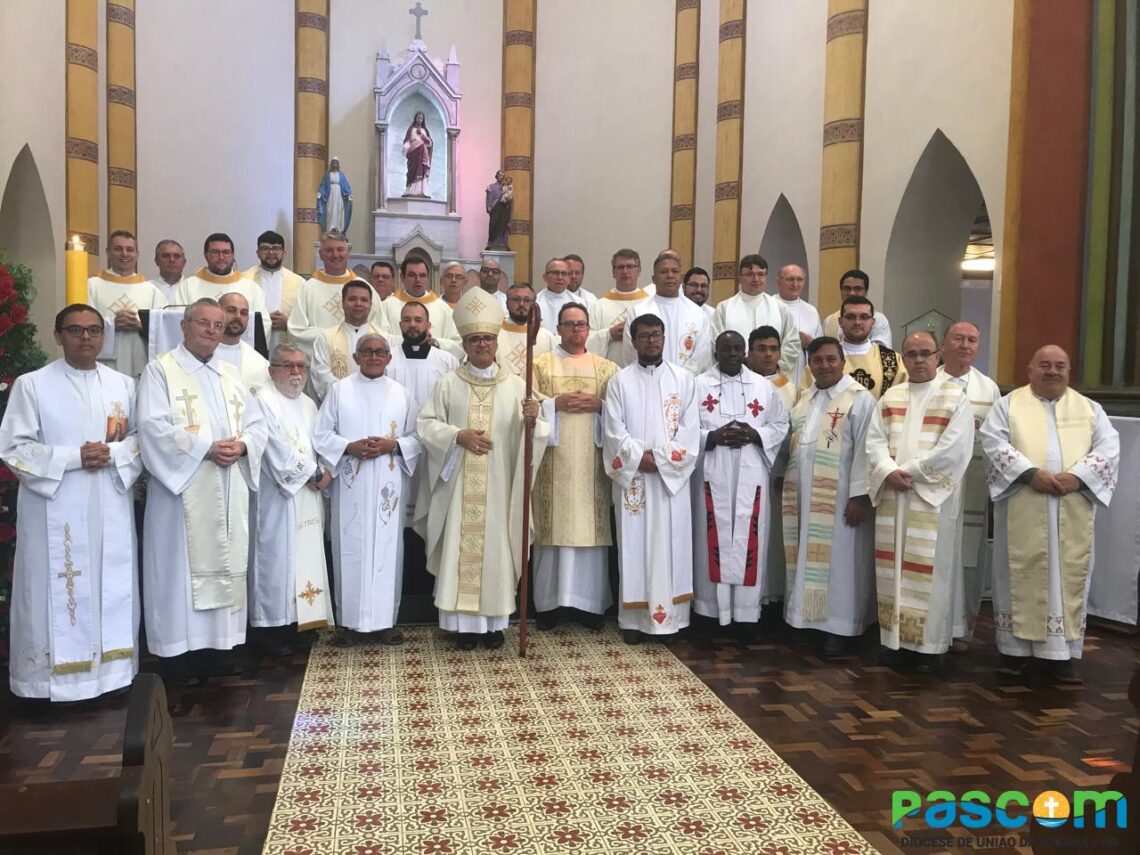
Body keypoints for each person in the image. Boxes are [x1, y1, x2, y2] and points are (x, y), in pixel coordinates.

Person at [0, 305, 144, 701]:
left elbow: (138, 439)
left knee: (110, 583)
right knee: (55, 584)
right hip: (54, 504)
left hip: (109, 500)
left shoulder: (122, 385)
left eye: (94, 330)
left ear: (103, 336)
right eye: (76, 330)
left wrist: (113, 454)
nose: (86, 338)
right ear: (58, 335)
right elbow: (13, 447)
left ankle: (112, 675)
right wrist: (73, 458)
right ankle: (48, 683)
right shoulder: (33, 385)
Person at [136, 298, 267, 687]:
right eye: (204, 323)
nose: (212, 330)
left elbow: (257, 424)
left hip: (229, 484)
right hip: (183, 490)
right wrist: (206, 449)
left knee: (227, 561)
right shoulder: (161, 370)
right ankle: (178, 655)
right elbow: (152, 427)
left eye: (218, 325)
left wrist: (243, 445)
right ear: (184, 326)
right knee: (178, 570)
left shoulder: (230, 374)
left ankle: (220, 649)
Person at [414, 288, 549, 651]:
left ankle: (493, 625)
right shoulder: (448, 384)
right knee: (460, 547)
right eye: (475, 339)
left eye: (488, 338)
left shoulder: (517, 386)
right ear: (464, 343)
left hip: (500, 488)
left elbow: (539, 433)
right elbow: (426, 424)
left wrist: (534, 420)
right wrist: (457, 435)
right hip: (458, 486)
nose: (482, 345)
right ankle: (462, 627)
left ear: (496, 343)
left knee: (497, 548)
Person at [980, 345, 1119, 684]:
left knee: (1064, 581)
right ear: (1030, 370)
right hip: (1023, 502)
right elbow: (993, 443)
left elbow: (1109, 449)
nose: (1052, 371)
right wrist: (1029, 474)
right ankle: (1014, 653)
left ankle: (1061, 656)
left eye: (1060, 366)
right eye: (1044, 365)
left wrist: (1078, 477)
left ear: (1069, 372)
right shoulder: (1008, 405)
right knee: (1015, 575)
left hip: (1071, 505)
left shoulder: (1089, 409)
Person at [863, 331, 974, 673]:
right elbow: (874, 442)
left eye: (926, 353)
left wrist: (907, 472)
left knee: (931, 574)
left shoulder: (955, 397)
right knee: (893, 573)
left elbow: (955, 449)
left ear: (938, 355)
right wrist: (887, 471)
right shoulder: (891, 396)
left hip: (930, 501)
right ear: (904, 358)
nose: (919, 360)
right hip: (894, 497)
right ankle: (895, 643)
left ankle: (929, 648)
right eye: (911, 354)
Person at [313, 334, 422, 645]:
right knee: (350, 548)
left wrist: (393, 445)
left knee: (387, 551)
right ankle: (348, 624)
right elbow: (321, 434)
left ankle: (385, 622)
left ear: (389, 358)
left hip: (388, 485)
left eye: (380, 352)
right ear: (356, 357)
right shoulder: (339, 390)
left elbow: (417, 437)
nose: (374, 357)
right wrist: (349, 446)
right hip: (352, 485)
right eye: (367, 352)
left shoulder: (402, 394)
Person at [603, 313, 699, 644]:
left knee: (671, 546)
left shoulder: (684, 380)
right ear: (634, 341)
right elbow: (613, 430)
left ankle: (672, 620)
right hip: (635, 482)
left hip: (670, 482)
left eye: (657, 334)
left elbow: (690, 430)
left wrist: (660, 459)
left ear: (664, 338)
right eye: (644, 335)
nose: (651, 341)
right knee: (634, 546)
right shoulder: (619, 382)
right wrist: (637, 458)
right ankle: (633, 620)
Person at [783, 336, 877, 657]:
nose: (824, 365)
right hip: (804, 497)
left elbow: (868, 449)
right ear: (809, 365)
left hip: (841, 499)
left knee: (841, 562)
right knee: (809, 559)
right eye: (817, 360)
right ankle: (809, 620)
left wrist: (860, 496)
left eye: (830, 359)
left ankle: (840, 627)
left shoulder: (859, 399)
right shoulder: (805, 399)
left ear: (842, 362)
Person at [691, 331, 788, 637]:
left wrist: (756, 434)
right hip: (712, 469)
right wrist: (711, 437)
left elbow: (780, 424)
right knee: (712, 534)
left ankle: (746, 615)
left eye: (737, 348)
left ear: (745, 352)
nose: (732, 353)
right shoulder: (698, 385)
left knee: (750, 534)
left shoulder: (763, 386)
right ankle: (710, 612)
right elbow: (683, 427)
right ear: (716, 352)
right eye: (726, 349)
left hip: (751, 470)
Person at [531, 303, 620, 630]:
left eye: (581, 324)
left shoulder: (607, 369)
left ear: (588, 328)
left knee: (589, 536)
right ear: (558, 329)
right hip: (552, 466)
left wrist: (600, 405)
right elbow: (527, 404)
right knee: (552, 535)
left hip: (591, 468)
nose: (575, 330)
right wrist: (554, 404)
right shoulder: (540, 365)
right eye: (569, 324)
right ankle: (549, 606)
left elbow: (621, 412)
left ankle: (589, 607)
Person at [247, 344, 334, 656]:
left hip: (309, 495)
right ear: (272, 370)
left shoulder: (309, 404)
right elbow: (271, 446)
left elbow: (321, 442)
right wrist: (311, 473)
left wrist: (326, 471)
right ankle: (272, 629)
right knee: (276, 558)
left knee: (305, 557)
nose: (296, 372)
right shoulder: (261, 400)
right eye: (288, 365)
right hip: (277, 497)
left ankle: (303, 623)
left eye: (301, 366)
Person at [936, 321, 1001, 648]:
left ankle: (962, 628)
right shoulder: (927, 382)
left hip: (972, 487)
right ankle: (932, 628)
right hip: (934, 489)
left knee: (968, 560)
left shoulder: (988, 390)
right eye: (958, 338)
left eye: (972, 340)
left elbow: (998, 441)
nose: (965, 345)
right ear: (943, 345)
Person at [746, 325, 799, 610]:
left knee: (776, 536)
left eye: (773, 349)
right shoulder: (741, 383)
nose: (768, 355)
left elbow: (795, 431)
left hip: (779, 474)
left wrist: (785, 469)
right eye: (761, 349)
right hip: (746, 471)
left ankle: (775, 596)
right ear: (750, 352)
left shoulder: (790, 388)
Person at [87, 230, 167, 380]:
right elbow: (82, 324)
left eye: (130, 249)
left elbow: (165, 330)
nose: (124, 254)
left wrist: (142, 326)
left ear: (137, 254)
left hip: (140, 364)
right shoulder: (91, 286)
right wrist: (112, 325)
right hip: (103, 365)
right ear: (108, 253)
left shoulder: (152, 291)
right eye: (118, 249)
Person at [287, 230, 376, 360]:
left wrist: (353, 338)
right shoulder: (308, 288)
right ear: (320, 255)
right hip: (320, 361)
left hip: (359, 361)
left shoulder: (364, 288)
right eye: (329, 250)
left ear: (348, 253)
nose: (335, 255)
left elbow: (379, 329)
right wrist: (334, 337)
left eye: (340, 250)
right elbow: (296, 331)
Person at [622, 251, 713, 375]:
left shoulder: (697, 313)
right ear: (654, 279)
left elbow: (702, 353)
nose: (670, 275)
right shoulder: (638, 311)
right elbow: (630, 351)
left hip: (688, 381)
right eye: (664, 271)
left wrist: (682, 378)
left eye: (674, 271)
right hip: (646, 378)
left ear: (681, 278)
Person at [711, 254, 799, 376]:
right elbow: (716, 342)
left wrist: (771, 363)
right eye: (749, 274)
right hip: (736, 375)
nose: (756, 279)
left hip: (772, 377)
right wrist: (742, 362)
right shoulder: (724, 308)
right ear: (740, 278)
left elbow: (792, 343)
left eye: (761, 274)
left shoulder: (780, 308)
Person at [311, 281, 388, 401]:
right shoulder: (325, 338)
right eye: (352, 299)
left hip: (375, 401)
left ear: (371, 305)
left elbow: (389, 375)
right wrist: (349, 398)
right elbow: (321, 376)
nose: (358, 304)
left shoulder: (383, 339)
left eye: (364, 300)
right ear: (342, 303)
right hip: (339, 404)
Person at [378, 256, 462, 357]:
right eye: (412, 275)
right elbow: (377, 339)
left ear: (427, 278)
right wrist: (412, 340)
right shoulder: (386, 306)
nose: (417, 280)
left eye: (422, 275)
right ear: (402, 278)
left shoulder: (443, 308)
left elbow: (458, 344)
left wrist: (435, 342)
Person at [827, 295, 906, 399]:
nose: (857, 322)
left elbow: (902, 397)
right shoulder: (824, 358)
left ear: (873, 322)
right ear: (840, 322)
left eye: (864, 317)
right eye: (850, 317)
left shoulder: (891, 360)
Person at [178, 233, 269, 320]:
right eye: (215, 252)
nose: (221, 257)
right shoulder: (187, 286)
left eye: (226, 252)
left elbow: (263, 322)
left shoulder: (251, 288)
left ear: (233, 255)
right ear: (205, 255)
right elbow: (178, 319)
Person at [586, 248, 653, 365]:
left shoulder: (650, 305)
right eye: (620, 267)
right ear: (613, 272)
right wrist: (609, 334)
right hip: (607, 370)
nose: (625, 271)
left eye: (630, 266)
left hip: (642, 370)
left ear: (639, 270)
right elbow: (585, 340)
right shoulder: (597, 306)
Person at [243, 230, 304, 351]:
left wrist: (288, 323)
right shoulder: (244, 280)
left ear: (284, 253)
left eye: (276, 248)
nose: (271, 252)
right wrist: (262, 322)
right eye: (265, 248)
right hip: (254, 344)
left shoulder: (299, 283)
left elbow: (305, 318)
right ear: (258, 253)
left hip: (287, 346)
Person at [214, 292, 271, 393]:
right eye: (231, 310)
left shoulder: (261, 364)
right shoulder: (199, 353)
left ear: (248, 319)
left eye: (244, 313)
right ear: (216, 313)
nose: (238, 317)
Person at [776, 264, 822, 386]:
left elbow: (820, 347)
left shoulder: (811, 311)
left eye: (799, 279)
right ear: (778, 281)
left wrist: (811, 343)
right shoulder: (769, 306)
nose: (795, 284)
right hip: (775, 377)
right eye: (790, 279)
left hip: (803, 378)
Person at [821, 269, 893, 347]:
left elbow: (882, 349)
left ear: (866, 292)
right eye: (847, 288)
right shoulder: (829, 320)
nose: (851, 293)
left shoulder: (879, 319)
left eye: (857, 289)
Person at [498, 283, 555, 377]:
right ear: (507, 303)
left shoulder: (546, 337)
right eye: (516, 299)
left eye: (527, 300)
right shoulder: (495, 334)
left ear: (534, 304)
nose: (521, 304)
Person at [535, 257, 582, 333]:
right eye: (555, 273)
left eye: (564, 274)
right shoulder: (535, 302)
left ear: (569, 279)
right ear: (545, 277)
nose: (560, 277)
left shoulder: (579, 303)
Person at [317, 156, 353, 232]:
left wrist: (349, 194)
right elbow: (323, 185)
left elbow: (346, 185)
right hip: (330, 195)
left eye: (336, 163)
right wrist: (320, 193)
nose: (335, 164)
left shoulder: (341, 175)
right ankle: (330, 228)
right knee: (330, 210)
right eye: (333, 162)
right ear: (331, 164)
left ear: (338, 164)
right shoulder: (327, 175)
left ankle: (337, 228)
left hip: (339, 195)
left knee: (338, 209)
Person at [403, 112, 433, 196]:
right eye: (418, 118)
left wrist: (423, 136)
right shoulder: (411, 129)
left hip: (422, 153)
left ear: (423, 120)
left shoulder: (424, 130)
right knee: (412, 171)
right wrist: (406, 148)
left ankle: (420, 190)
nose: (419, 120)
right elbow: (407, 141)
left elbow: (429, 143)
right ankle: (410, 190)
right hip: (413, 154)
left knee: (421, 170)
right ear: (415, 119)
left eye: (421, 118)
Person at [150, 238, 187, 304]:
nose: (172, 260)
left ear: (184, 262)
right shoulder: (147, 288)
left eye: (177, 256)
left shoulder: (192, 288)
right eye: (166, 256)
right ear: (156, 261)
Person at [486, 170, 512, 249]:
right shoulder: (491, 187)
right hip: (495, 209)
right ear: (496, 176)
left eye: (503, 176)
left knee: (503, 225)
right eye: (500, 175)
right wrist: (489, 207)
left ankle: (502, 242)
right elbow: (489, 198)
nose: (501, 177)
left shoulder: (506, 187)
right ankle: (492, 242)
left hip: (503, 209)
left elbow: (510, 199)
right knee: (493, 225)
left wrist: (508, 200)